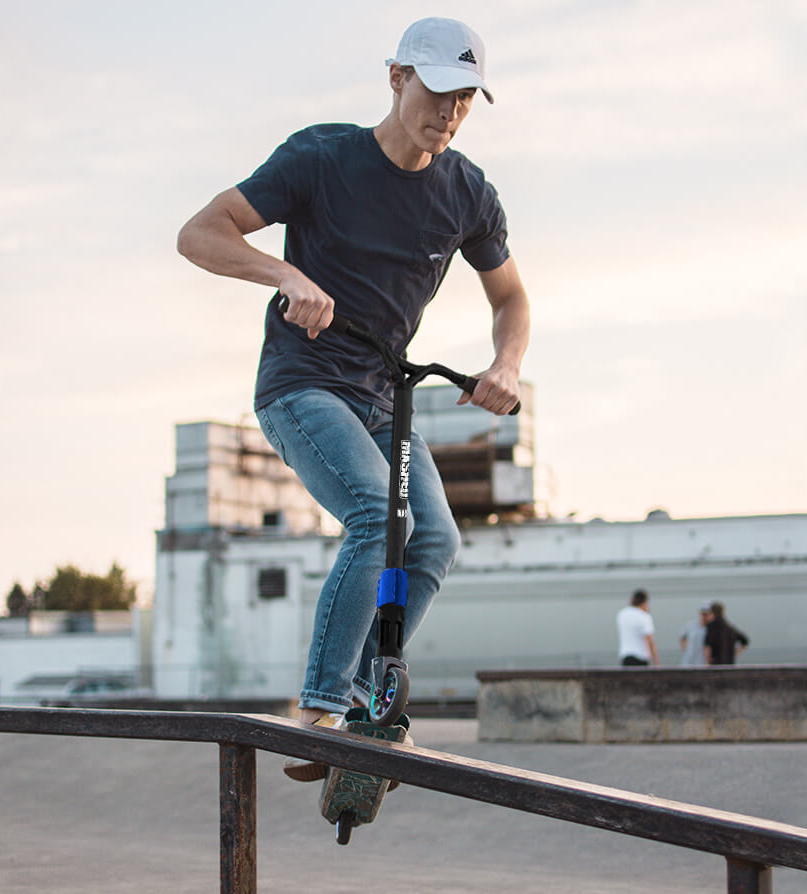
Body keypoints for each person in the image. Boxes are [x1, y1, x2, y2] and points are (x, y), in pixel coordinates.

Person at [176, 18, 530, 774]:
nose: (449, 112)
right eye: (437, 91)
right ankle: (320, 708)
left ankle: (370, 702)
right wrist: (284, 275)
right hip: (303, 386)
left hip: (380, 396)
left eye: (465, 98)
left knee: (434, 538)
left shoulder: (467, 191)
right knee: (378, 513)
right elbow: (200, 233)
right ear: (397, 78)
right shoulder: (322, 158)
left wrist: (505, 363)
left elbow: (511, 299)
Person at [617, 589, 658, 666]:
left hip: (625, 656)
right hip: (641, 657)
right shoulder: (644, 616)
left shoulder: (622, 614)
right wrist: (656, 662)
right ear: (644, 602)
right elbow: (650, 641)